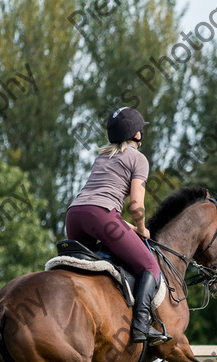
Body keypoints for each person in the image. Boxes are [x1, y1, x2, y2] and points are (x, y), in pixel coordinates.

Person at [65, 107, 170, 346]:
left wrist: (129, 228)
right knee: (150, 267)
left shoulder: (102, 157)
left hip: (75, 214)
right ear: (138, 135)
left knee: (84, 272)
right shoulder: (138, 159)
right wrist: (141, 227)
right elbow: (136, 207)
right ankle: (141, 327)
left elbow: (100, 204)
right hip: (102, 216)